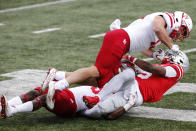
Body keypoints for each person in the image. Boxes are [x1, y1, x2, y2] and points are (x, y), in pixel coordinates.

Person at [44, 11, 193, 109]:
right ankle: (58, 83)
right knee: (98, 70)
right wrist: (172, 46)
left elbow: (142, 47)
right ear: (179, 20)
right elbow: (157, 28)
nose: (180, 34)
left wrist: (154, 55)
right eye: (183, 30)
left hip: (122, 42)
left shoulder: (162, 34)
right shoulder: (166, 18)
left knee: (103, 81)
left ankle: (57, 77)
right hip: (120, 40)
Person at [82, 50, 189, 119]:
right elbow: (142, 70)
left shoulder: (177, 70)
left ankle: (84, 111)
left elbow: (151, 68)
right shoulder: (162, 67)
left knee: (99, 110)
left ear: (179, 60)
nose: (167, 55)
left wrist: (131, 58)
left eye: (171, 55)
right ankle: (96, 96)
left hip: (137, 92)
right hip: (131, 82)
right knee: (117, 73)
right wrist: (126, 62)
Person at [0, 85, 101, 119]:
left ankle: (12, 111)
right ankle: (1, 107)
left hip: (72, 103)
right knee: (37, 91)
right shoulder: (105, 87)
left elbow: (105, 112)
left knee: (46, 98)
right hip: (66, 93)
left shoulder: (112, 97)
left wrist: (82, 113)